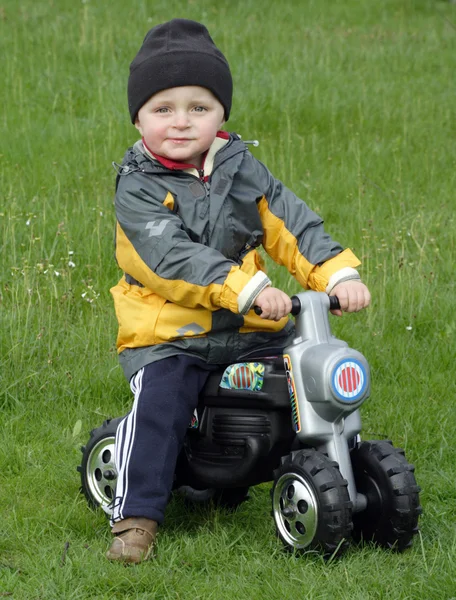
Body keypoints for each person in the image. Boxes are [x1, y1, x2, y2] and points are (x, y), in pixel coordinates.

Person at [106, 18, 371, 563]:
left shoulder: (239, 169)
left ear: (222, 113)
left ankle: (335, 472)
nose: (181, 123)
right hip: (170, 333)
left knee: (305, 379)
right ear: (138, 117)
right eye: (163, 109)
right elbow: (168, 255)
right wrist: (245, 287)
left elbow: (289, 224)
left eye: (199, 108)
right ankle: (135, 518)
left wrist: (336, 274)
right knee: (162, 406)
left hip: (246, 329)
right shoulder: (137, 186)